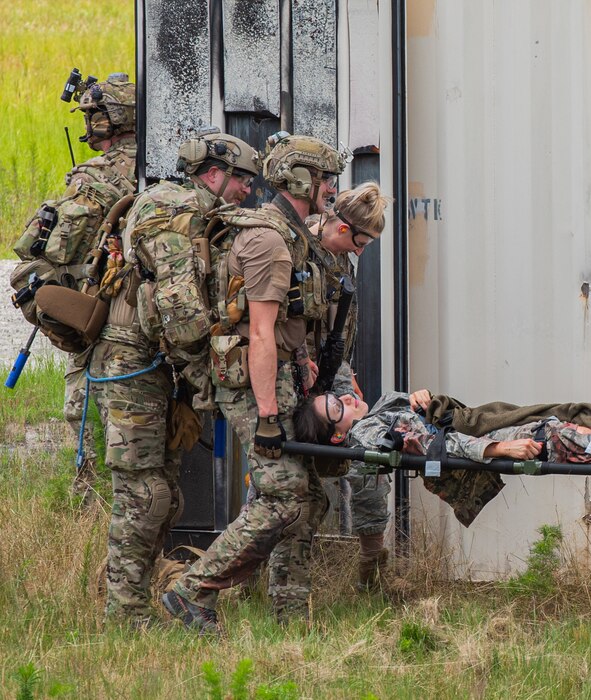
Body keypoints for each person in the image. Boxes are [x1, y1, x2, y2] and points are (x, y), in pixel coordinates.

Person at [163, 133, 346, 634]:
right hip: (254, 386)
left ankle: (289, 613)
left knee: (308, 497)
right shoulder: (268, 239)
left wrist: (305, 361)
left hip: (280, 378)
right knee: (284, 497)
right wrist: (268, 416)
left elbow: (292, 321)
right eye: (326, 178)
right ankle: (192, 588)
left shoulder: (293, 235)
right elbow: (261, 332)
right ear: (303, 179)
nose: (331, 189)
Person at [88, 129, 259, 627]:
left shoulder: (198, 214)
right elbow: (182, 315)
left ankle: (131, 594)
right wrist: (216, 379)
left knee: (166, 493)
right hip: (130, 365)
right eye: (242, 180)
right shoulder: (175, 214)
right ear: (214, 174)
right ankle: (124, 615)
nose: (248, 191)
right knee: (144, 495)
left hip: (156, 368)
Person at [9, 72, 138, 505]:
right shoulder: (161, 165)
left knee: (85, 413)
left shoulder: (95, 176)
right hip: (149, 316)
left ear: (107, 121)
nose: (87, 126)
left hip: (98, 315)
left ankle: (94, 503)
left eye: (92, 117)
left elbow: (52, 252)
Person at [294, 388, 591, 479]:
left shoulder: (368, 418)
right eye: (337, 406)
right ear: (337, 436)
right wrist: (497, 447)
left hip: (486, 420)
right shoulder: (370, 434)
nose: (348, 400)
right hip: (491, 434)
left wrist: (416, 397)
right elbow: (434, 445)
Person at [306, 182, 392, 590]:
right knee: (289, 468)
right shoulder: (296, 245)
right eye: (362, 241)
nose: (362, 251)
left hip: (332, 367)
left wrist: (349, 381)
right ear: (343, 229)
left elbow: (340, 330)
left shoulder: (343, 261)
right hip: (292, 369)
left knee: (369, 453)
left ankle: (372, 563)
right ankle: (268, 568)